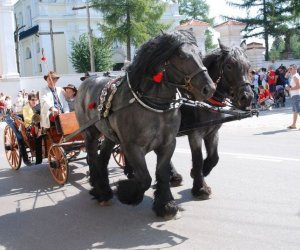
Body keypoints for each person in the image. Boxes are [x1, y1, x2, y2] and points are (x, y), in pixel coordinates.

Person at [22, 93, 43, 164]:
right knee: (37, 127)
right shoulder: (26, 108)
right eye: (32, 100)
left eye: (35, 99)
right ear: (29, 100)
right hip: (29, 125)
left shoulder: (38, 106)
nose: (34, 101)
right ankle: (38, 153)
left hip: (38, 123)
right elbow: (26, 118)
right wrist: (34, 119)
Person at [286, 64, 300, 129]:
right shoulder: (294, 76)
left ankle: (294, 125)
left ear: (295, 69)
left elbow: (298, 86)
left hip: (296, 95)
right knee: (295, 111)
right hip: (294, 95)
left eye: (291, 69)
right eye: (289, 69)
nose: (289, 70)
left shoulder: (295, 76)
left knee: (298, 110)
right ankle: (294, 124)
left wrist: (290, 89)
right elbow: (285, 76)